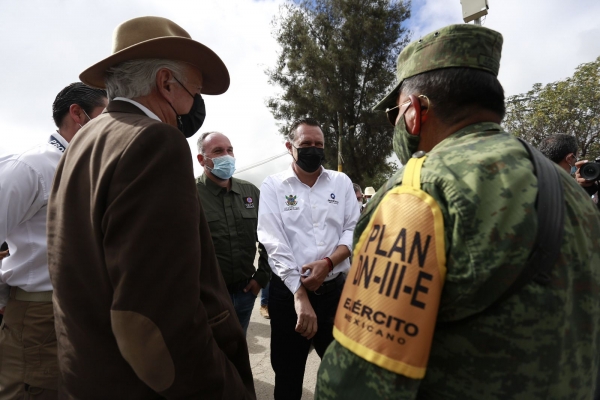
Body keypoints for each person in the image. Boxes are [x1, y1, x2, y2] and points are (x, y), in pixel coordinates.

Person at [316, 24, 600, 399]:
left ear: (415, 111)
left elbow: (357, 381)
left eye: (393, 115)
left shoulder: (420, 190)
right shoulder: (571, 189)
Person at [47, 17, 255, 399]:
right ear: (165, 83)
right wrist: (225, 389)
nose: (194, 105)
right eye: (193, 91)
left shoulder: (85, 139)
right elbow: (155, 321)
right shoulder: (156, 141)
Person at [0, 83, 107, 399]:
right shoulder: (31, 167)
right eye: (106, 116)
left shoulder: (93, 168)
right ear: (78, 114)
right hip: (38, 317)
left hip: (84, 311)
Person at [257, 117, 360, 399]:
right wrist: (300, 294)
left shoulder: (340, 182)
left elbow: (353, 228)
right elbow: (273, 240)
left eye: (318, 144)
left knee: (342, 373)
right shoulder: (274, 185)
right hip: (288, 295)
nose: (313, 150)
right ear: (290, 146)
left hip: (334, 291)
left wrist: (328, 263)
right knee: (288, 375)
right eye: (306, 144)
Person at [195, 131, 270, 335]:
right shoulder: (189, 193)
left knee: (238, 349)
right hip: (208, 298)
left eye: (230, 150)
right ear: (202, 159)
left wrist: (261, 278)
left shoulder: (251, 192)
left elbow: (269, 238)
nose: (227, 156)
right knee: (210, 357)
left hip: (245, 292)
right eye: (218, 151)